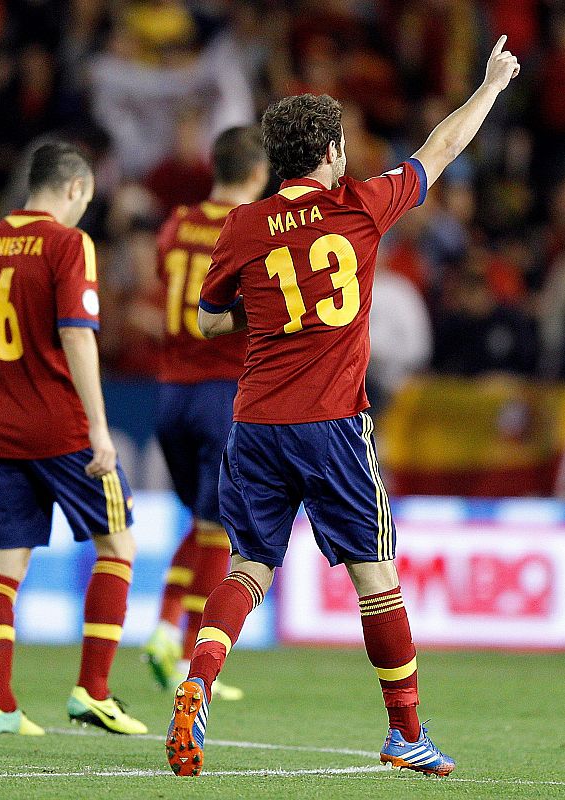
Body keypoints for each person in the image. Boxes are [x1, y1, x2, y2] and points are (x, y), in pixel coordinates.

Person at [166, 36, 520, 777]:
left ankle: (196, 678)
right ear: (327, 152)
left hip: (256, 423)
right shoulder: (359, 206)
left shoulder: (242, 226)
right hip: (330, 424)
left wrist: (266, 313)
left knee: (248, 568)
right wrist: (488, 86)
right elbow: (443, 146)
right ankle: (405, 732)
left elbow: (206, 319)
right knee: (376, 579)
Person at [0, 141, 147, 736]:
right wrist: (97, 426)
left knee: (4, 569)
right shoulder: (69, 244)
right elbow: (78, 335)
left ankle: (1, 707)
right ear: (73, 189)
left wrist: (5, 386)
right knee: (118, 548)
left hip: (1, 427)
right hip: (63, 428)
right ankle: (92, 691)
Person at [143, 126, 269, 700]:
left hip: (170, 389)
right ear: (258, 173)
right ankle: (196, 657)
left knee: (202, 517)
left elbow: (167, 280)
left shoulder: (176, 222)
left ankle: (167, 630)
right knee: (220, 524)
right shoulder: (249, 228)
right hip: (222, 387)